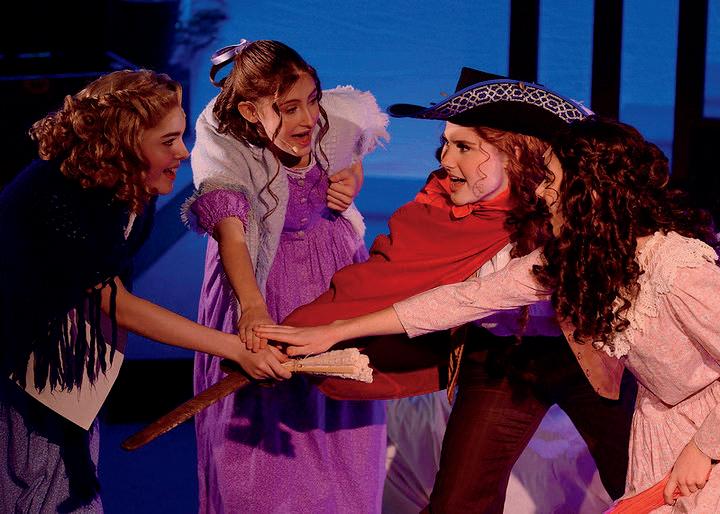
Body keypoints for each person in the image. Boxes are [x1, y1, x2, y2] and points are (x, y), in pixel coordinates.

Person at [258, 117, 720, 512]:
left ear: (589, 194)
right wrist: (335, 331)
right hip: (650, 418)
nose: (542, 192)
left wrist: (703, 448)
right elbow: (462, 299)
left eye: (552, 181)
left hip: (704, 423)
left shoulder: (677, 267)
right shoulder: (569, 255)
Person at [0, 69, 264, 513]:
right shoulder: (59, 197)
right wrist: (233, 347)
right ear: (121, 142)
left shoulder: (128, 188)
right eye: (168, 141)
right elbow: (115, 302)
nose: (184, 151)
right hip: (20, 372)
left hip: (65, 371)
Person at [183, 40, 389, 514]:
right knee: (267, 444)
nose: (308, 118)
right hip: (261, 278)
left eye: (312, 100)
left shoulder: (331, 119)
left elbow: (350, 145)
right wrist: (253, 307)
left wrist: (351, 178)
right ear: (250, 111)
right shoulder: (224, 143)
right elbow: (231, 233)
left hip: (333, 276)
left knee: (342, 426)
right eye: (289, 108)